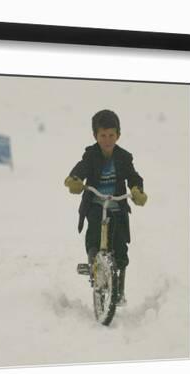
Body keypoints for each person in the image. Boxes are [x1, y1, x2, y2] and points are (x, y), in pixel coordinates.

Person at [64, 110, 148, 305]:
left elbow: (133, 176)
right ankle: (94, 263)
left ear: (118, 135)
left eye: (111, 135)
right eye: (103, 135)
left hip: (117, 207)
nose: (107, 139)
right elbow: (82, 168)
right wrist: (74, 179)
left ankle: (120, 290)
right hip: (96, 205)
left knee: (120, 247)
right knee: (93, 235)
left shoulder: (124, 157)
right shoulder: (91, 155)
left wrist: (136, 189)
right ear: (95, 136)